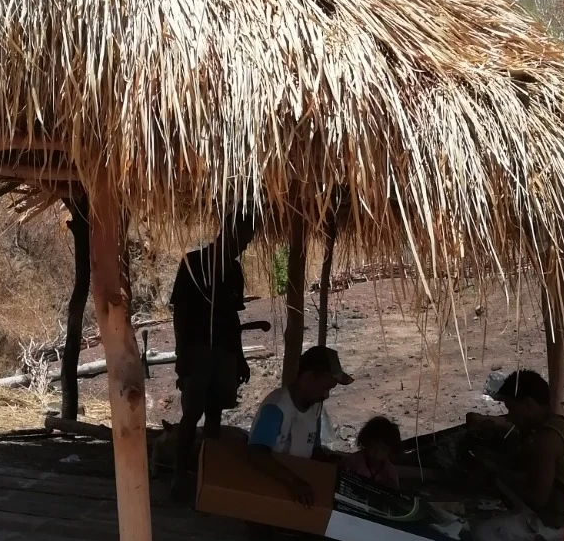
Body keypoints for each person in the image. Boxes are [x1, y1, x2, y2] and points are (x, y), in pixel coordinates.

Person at [170, 212, 267, 498]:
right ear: (227, 232)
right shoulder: (193, 262)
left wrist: (240, 358)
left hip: (224, 350)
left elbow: (233, 318)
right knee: (192, 413)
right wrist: (181, 353)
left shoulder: (234, 271)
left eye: (247, 242)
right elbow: (180, 313)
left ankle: (207, 474)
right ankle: (179, 475)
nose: (244, 247)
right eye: (242, 239)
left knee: (215, 413)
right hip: (196, 348)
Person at [464, 368, 564, 533]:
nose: (510, 416)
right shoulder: (558, 424)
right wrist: (491, 458)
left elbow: (538, 499)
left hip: (563, 525)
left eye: (512, 409)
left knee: (478, 531)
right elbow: (523, 463)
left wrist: (497, 476)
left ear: (528, 404)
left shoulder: (547, 439)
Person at [247, 345, 352, 506]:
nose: (326, 395)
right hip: (270, 489)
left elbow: (313, 448)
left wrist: (331, 462)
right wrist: (293, 481)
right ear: (308, 377)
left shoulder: (315, 406)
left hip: (298, 487)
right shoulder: (277, 407)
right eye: (325, 388)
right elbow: (256, 454)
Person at [341, 416, 402, 491]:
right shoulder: (352, 462)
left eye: (383, 449)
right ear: (366, 442)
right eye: (372, 446)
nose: (376, 452)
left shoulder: (390, 473)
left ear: (390, 451)